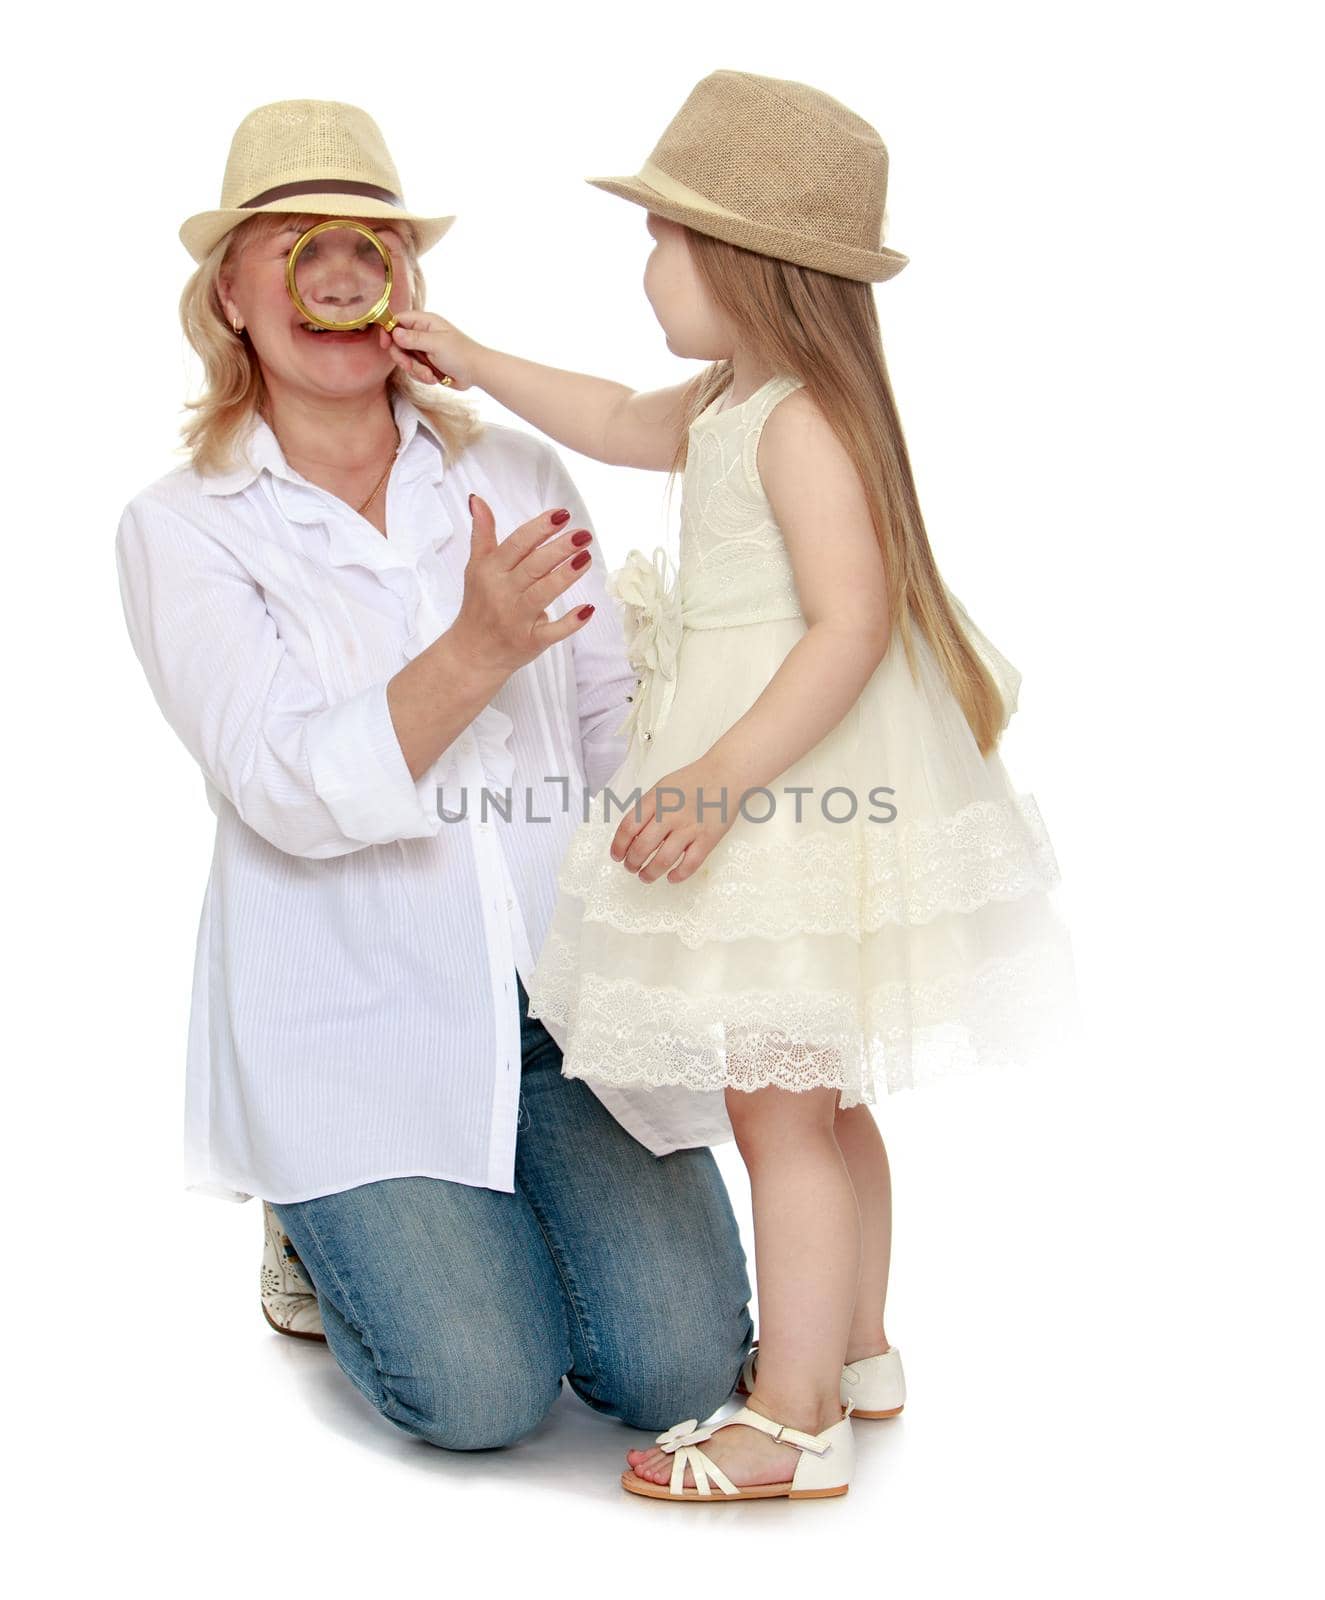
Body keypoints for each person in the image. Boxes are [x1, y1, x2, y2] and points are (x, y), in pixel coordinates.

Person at [378, 68, 1081, 1501]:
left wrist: (711, 780)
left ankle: (796, 1413)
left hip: (775, 787)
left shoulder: (798, 420)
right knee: (817, 1097)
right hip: (771, 782)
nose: (648, 268)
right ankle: (861, 1348)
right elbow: (617, 413)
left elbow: (851, 624)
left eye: (666, 242)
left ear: (744, 264)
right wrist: (471, 354)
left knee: (777, 1109)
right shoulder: (731, 397)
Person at [114, 97, 755, 1452]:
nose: (337, 272)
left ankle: (494, 1211)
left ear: (404, 284)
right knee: (477, 1397)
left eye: (371, 246)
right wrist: (470, 650)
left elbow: (602, 734)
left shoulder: (515, 464)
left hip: (558, 1006)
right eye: (292, 244)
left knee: (684, 1370)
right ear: (231, 291)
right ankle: (314, 1222)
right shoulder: (183, 527)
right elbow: (281, 782)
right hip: (357, 1023)